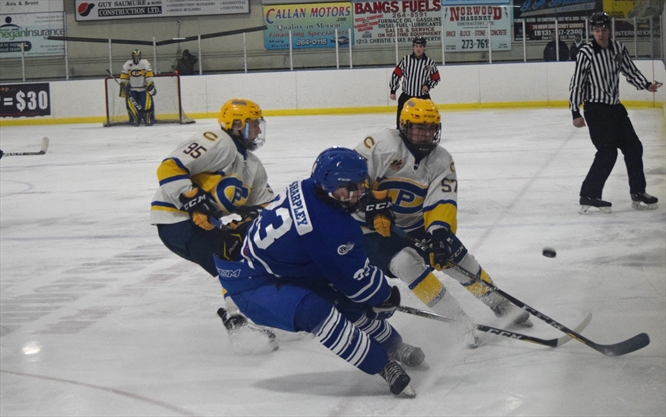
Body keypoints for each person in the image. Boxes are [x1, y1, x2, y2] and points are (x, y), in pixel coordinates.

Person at [214, 147, 422, 397]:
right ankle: (383, 365)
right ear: (331, 187)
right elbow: (361, 285)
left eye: (362, 184)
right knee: (317, 311)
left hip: (277, 265)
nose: (361, 192)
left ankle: (395, 346)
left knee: (344, 299)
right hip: (252, 285)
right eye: (352, 187)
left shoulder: (310, 186)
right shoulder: (330, 229)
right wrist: (386, 298)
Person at [354, 98, 532, 347]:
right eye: (418, 127)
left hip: (415, 221)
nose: (424, 134)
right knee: (408, 264)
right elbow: (352, 177)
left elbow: (442, 202)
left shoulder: (441, 160)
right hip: (368, 229)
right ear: (403, 126)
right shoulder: (380, 145)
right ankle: (457, 320)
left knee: (456, 258)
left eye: (430, 129)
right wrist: (370, 204)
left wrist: (438, 236)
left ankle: (498, 302)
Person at [150, 98, 278, 353]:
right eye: (254, 124)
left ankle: (240, 315)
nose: (259, 131)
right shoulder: (218, 141)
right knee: (232, 260)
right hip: (176, 220)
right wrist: (192, 201)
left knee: (243, 254)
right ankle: (236, 321)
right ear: (237, 124)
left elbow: (265, 208)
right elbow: (168, 167)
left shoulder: (252, 165)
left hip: (201, 225)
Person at [569, 12, 661, 214]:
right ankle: (589, 194)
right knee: (607, 152)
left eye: (603, 30)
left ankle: (638, 191)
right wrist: (575, 111)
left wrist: (646, 85)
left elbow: (630, 70)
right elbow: (576, 83)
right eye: (596, 30)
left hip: (615, 108)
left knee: (634, 147)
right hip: (595, 109)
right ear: (592, 31)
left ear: (609, 30)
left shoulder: (618, 48)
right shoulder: (586, 52)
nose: (600, 34)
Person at [389, 36, 440, 129]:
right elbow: (396, 75)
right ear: (413, 47)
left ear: (424, 48)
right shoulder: (406, 60)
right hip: (407, 95)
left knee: (427, 116)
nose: (418, 48)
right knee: (401, 115)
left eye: (420, 46)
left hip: (422, 96)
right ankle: (400, 131)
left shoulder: (429, 63)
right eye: (416, 46)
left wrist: (428, 85)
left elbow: (436, 78)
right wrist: (393, 90)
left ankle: (425, 134)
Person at [120, 49, 157, 126]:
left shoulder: (145, 63)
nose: (136, 57)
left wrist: (150, 84)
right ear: (132, 56)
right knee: (132, 106)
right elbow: (124, 76)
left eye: (138, 55)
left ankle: (148, 119)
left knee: (147, 105)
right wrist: (124, 86)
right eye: (135, 55)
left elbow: (148, 75)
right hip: (132, 89)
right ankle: (134, 120)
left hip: (144, 89)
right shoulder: (128, 64)